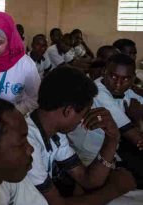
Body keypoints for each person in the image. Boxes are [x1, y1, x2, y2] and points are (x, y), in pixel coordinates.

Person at [27, 66, 137, 205]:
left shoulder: (54, 131)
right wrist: (114, 189)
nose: (82, 120)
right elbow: (56, 204)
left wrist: (112, 138)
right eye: (84, 113)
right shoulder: (28, 143)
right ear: (68, 111)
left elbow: (87, 179)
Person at [68, 54, 143, 188]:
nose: (118, 84)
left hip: (110, 147)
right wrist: (137, 120)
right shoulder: (98, 93)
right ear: (104, 73)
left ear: (132, 79)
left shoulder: (126, 90)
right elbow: (135, 137)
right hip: (89, 156)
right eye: (113, 76)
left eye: (125, 79)